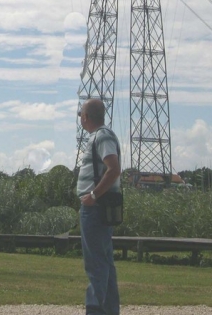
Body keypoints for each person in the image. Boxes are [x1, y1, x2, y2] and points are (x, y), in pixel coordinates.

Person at [77, 98, 121, 315]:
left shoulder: (102, 136)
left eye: (81, 115)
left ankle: (94, 311)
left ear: (86, 117)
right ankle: (110, 311)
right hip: (99, 208)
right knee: (105, 264)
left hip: (95, 208)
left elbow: (114, 169)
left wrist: (93, 195)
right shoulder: (100, 136)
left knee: (95, 264)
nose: (80, 120)